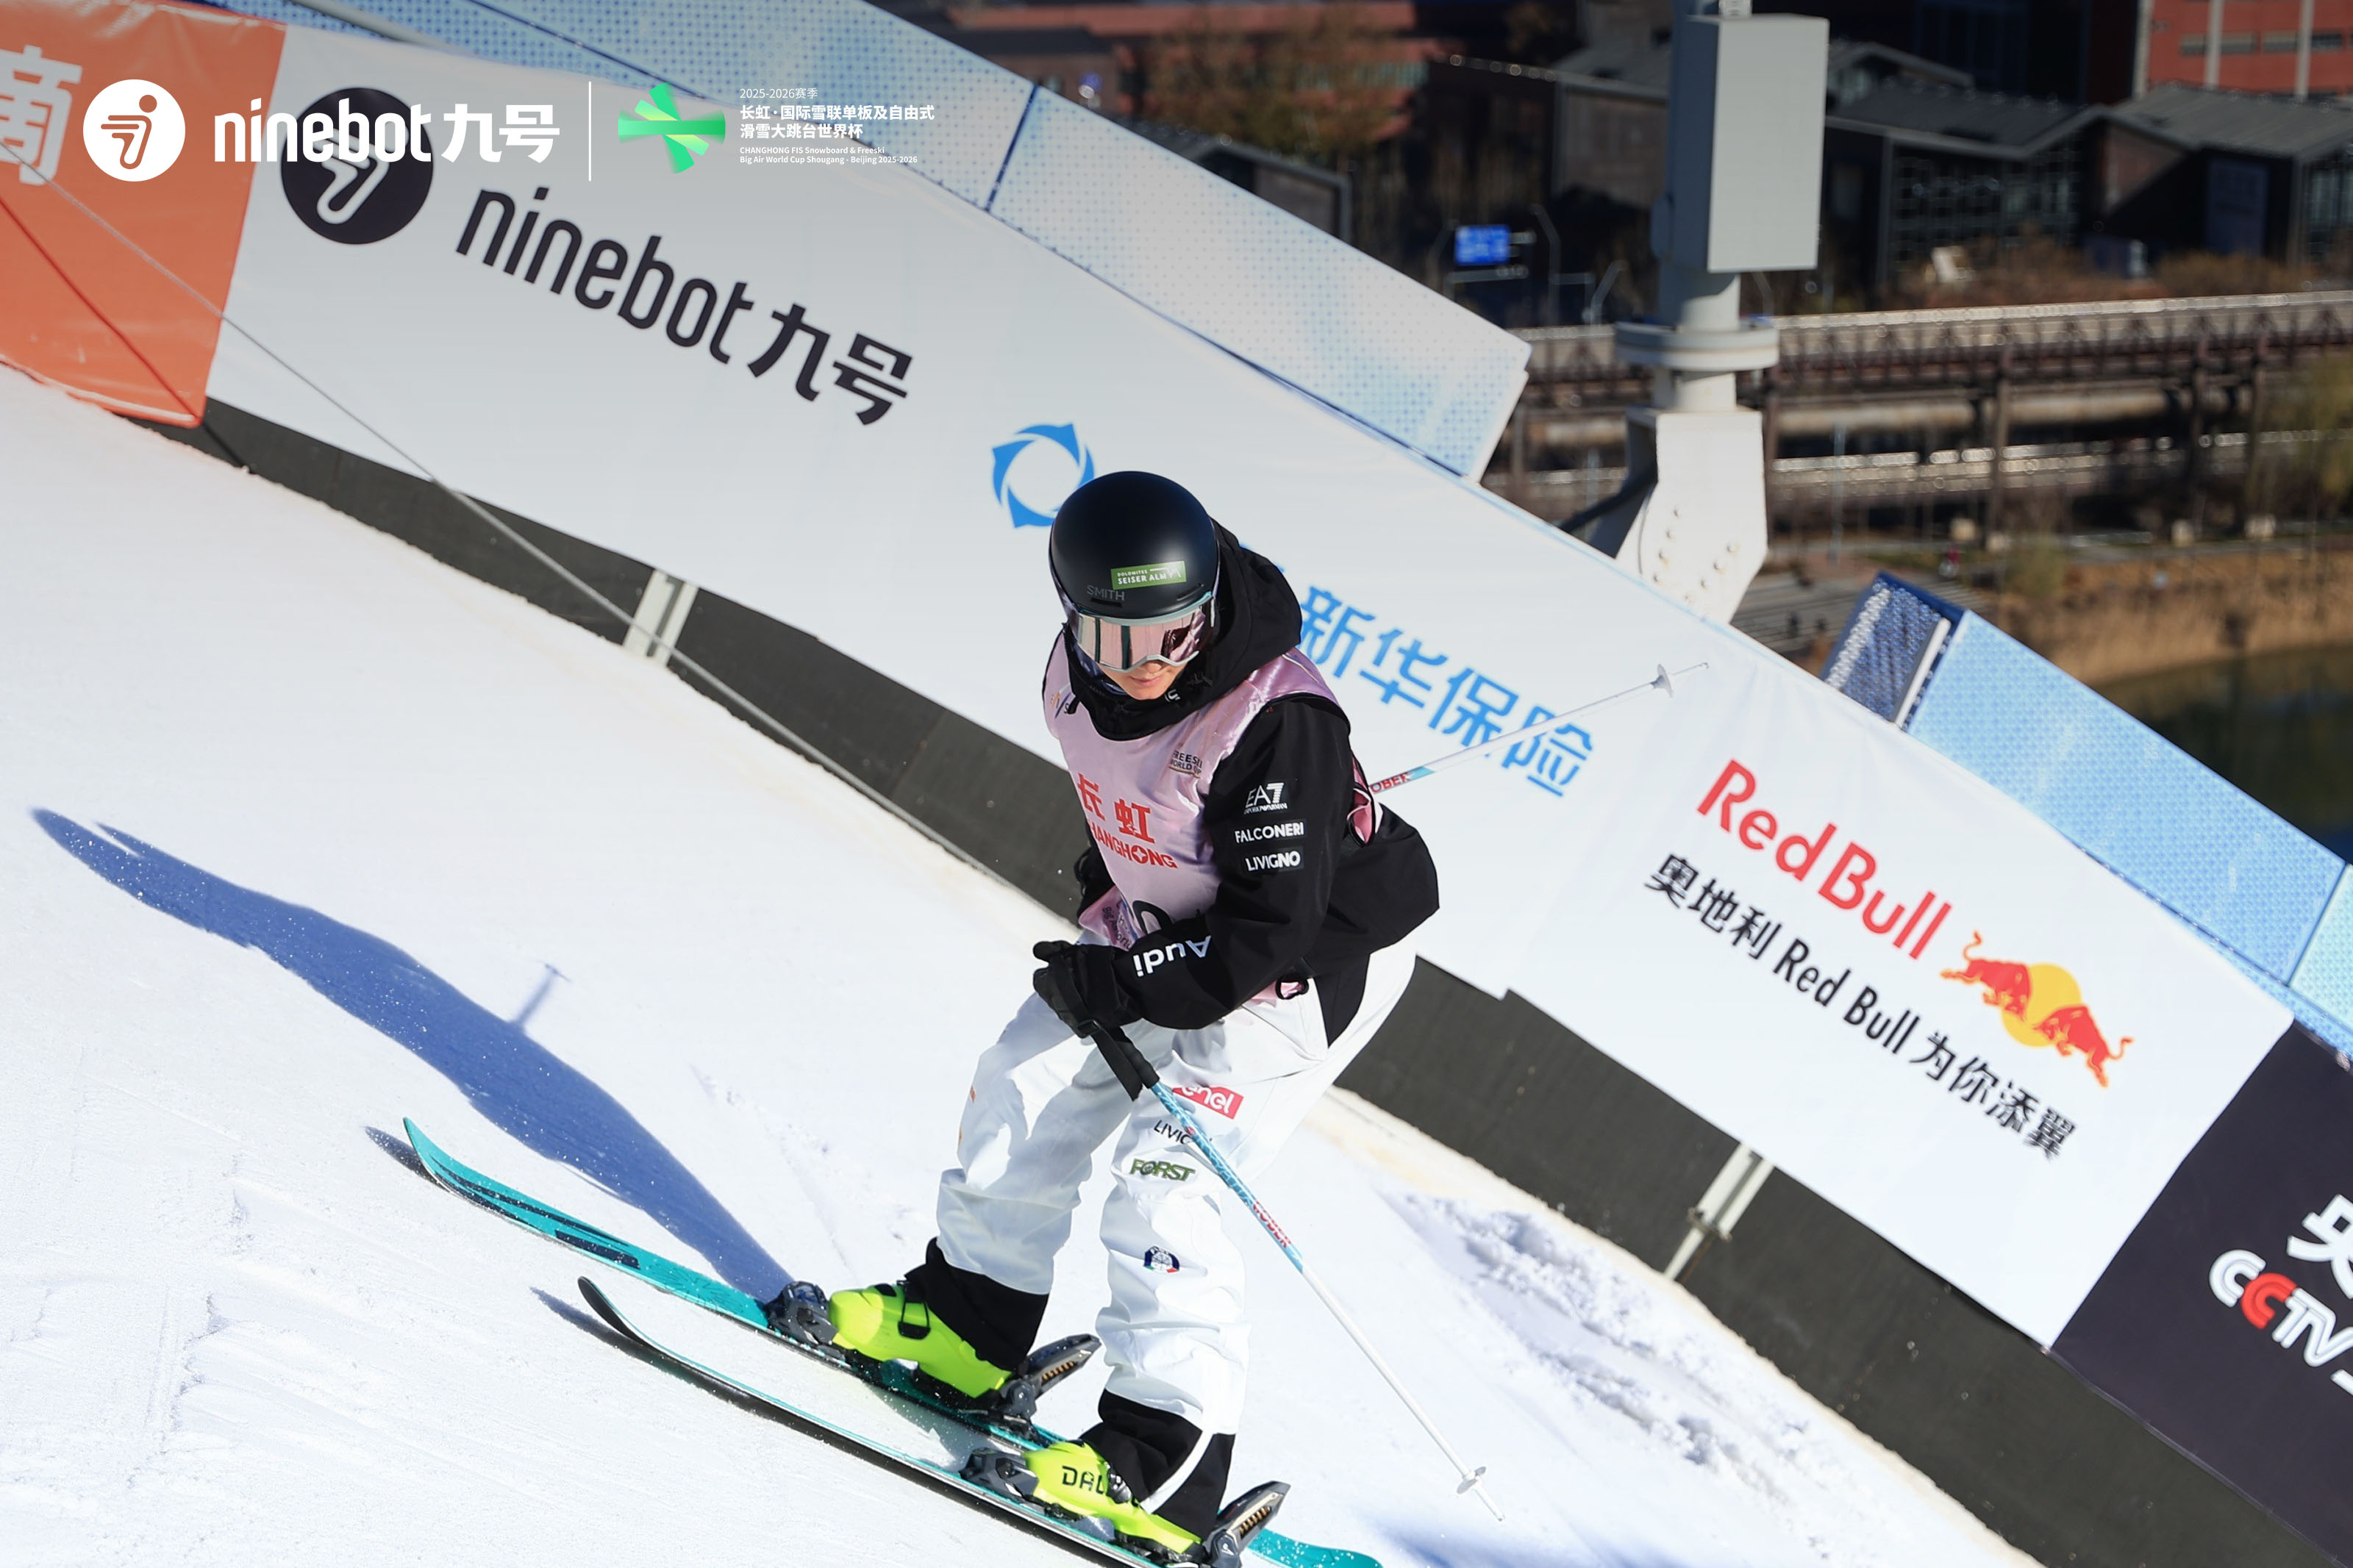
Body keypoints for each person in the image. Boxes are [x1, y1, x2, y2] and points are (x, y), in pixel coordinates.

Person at [808, 471, 1438, 1554]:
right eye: (1114, 638)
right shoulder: (1068, 679)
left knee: (1165, 1183)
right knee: (1024, 1080)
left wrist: (1130, 981)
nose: (1144, 664)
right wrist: (1117, 894)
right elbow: (1144, 805)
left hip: (1305, 963)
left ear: (1208, 610)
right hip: (1177, 926)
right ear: (1071, 617)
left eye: (1172, 636)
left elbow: (1266, 932)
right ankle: (969, 1324)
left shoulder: (1276, 718)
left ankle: (1166, 1461)